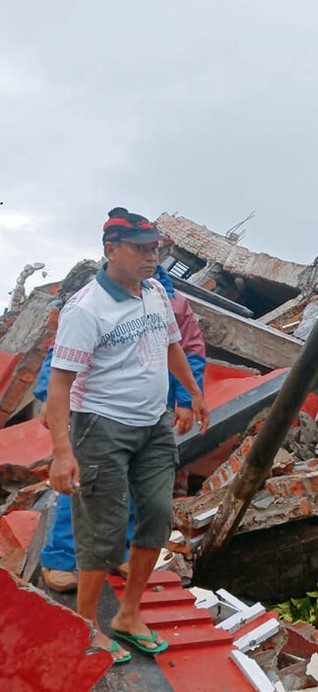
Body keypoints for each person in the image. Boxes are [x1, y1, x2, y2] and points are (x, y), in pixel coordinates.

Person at [46, 207, 208, 664]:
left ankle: (129, 615)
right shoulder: (85, 309)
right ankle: (86, 628)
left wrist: (193, 393)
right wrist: (62, 451)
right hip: (101, 426)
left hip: (153, 423)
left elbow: (173, 345)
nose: (151, 257)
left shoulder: (156, 292)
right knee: (103, 528)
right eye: (140, 248)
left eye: (154, 248)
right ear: (110, 249)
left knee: (156, 514)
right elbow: (57, 387)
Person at [38, 261, 206, 593]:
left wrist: (186, 400)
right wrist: (48, 396)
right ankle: (60, 558)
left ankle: (121, 551)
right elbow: (59, 357)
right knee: (86, 485)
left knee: (137, 488)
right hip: (100, 413)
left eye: (152, 251)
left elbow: (189, 351)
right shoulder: (92, 302)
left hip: (150, 411)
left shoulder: (169, 300)